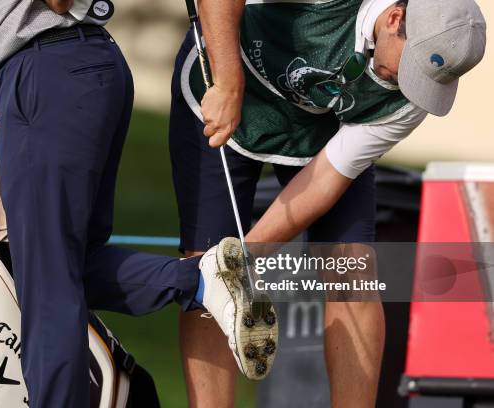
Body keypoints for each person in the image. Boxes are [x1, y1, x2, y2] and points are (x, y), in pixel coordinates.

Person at [169, 0, 486, 406]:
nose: (410, 85)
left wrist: (239, 262)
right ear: (394, 19)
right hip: (227, 75)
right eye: (410, 68)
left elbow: (324, 182)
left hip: (320, 123)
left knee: (352, 267)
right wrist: (229, 80)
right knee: (204, 264)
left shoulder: (410, 98)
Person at [0, 0, 278, 406]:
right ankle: (203, 279)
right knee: (73, 267)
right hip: (74, 67)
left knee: (50, 283)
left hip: (49, 69)